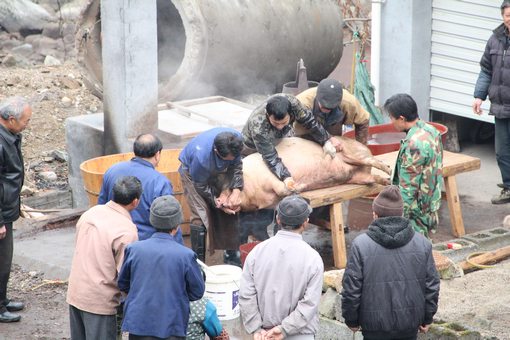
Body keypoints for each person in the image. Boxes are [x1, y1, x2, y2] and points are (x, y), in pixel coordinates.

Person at [341, 185, 440, 340]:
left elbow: (351, 288)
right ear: (402, 214)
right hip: (409, 325)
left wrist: (351, 319)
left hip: (373, 328)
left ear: (374, 215)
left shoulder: (360, 245)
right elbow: (431, 285)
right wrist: (427, 317)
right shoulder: (422, 243)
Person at [118, 195, 205, 340]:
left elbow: (123, 284)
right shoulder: (186, 255)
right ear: (177, 226)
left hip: (139, 324)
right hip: (172, 325)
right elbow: (197, 292)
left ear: (153, 222)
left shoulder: (134, 249)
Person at [67, 176, 142, 340]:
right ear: (135, 201)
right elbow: (126, 277)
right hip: (100, 302)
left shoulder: (90, 214)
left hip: (75, 293)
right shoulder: (127, 231)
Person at [239, 196, 324, 340]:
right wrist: (284, 329)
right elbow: (310, 303)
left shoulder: (256, 252)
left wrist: (256, 328)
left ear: (278, 220)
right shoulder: (313, 259)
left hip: (263, 335)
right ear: (306, 222)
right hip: (300, 334)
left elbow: (246, 295)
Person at [241, 94, 341, 191]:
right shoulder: (258, 126)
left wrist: (326, 139)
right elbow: (270, 156)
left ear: (290, 113)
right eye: (275, 123)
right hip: (252, 146)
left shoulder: (293, 104)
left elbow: (309, 121)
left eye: (284, 122)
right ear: (267, 114)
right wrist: (286, 177)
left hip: (278, 139)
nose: (280, 126)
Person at [97, 133, 183, 245]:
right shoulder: (160, 182)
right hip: (145, 245)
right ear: (157, 155)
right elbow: (169, 221)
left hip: (112, 239)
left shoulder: (113, 170)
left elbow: (101, 207)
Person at [179, 127, 244, 264]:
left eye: (233, 157)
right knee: (200, 214)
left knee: (232, 203)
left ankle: (231, 255)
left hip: (219, 168)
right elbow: (201, 185)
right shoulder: (200, 157)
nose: (231, 159)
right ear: (217, 151)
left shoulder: (236, 140)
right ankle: (198, 263)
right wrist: (217, 203)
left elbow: (236, 166)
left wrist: (236, 190)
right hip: (194, 175)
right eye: (228, 158)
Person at [384, 93, 443, 238]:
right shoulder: (432, 130)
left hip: (416, 212)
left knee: (415, 251)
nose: (391, 122)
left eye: (392, 118)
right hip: (431, 204)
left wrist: (395, 215)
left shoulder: (412, 145)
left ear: (402, 119)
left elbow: (408, 189)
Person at [473, 0, 510, 204]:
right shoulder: (494, 40)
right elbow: (486, 70)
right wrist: (479, 96)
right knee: (502, 151)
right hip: (501, 107)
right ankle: (508, 188)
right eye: (507, 15)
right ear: (502, 16)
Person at [0, 96, 32, 323]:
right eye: (25, 121)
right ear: (11, 120)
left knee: (5, 258)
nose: (27, 125)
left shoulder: (10, 135)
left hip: (7, 208)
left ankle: (2, 299)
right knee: (1, 260)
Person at [295, 78, 370, 145]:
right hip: (305, 134)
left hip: (334, 136)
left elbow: (363, 121)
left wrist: (360, 147)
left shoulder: (349, 103)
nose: (326, 111)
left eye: (330, 109)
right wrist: (327, 138)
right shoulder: (302, 103)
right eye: (323, 107)